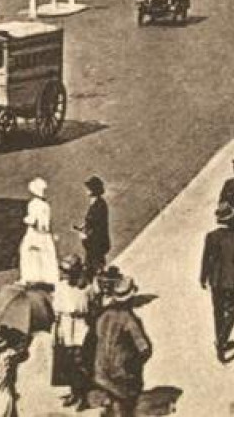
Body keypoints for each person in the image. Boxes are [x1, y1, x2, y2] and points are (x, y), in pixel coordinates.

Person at [93, 274, 152, 416]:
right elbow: (144, 349)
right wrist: (135, 364)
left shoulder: (103, 316)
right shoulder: (129, 320)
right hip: (123, 375)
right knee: (125, 409)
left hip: (102, 372)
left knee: (114, 403)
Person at [200, 202, 234, 362]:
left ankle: (219, 337)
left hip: (215, 279)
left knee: (218, 311)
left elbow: (206, 258)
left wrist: (203, 276)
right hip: (231, 280)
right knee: (232, 312)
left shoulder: (211, 236)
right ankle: (222, 340)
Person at [53, 255, 93, 410]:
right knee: (68, 361)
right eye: (64, 271)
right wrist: (57, 329)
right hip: (66, 324)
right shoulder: (61, 286)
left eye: (69, 272)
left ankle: (84, 396)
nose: (66, 275)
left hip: (80, 325)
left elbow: (90, 307)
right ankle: (73, 392)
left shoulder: (85, 288)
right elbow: (56, 309)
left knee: (80, 360)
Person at [19, 177, 59, 288]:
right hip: (45, 234)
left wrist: (25, 219)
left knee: (28, 253)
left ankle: (30, 277)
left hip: (34, 233)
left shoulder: (33, 204)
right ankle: (49, 278)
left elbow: (32, 220)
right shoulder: (46, 205)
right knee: (46, 256)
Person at [76, 175, 110, 279]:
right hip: (94, 241)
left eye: (88, 188)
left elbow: (98, 224)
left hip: (97, 241)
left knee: (95, 267)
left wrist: (86, 235)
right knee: (92, 265)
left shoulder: (99, 204)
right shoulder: (97, 203)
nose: (86, 191)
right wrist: (85, 226)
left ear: (93, 190)